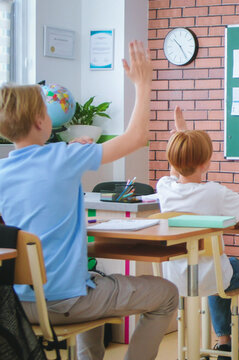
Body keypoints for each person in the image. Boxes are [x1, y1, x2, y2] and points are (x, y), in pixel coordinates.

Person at [0, 41, 179, 360]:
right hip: (65, 303)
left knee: (94, 279)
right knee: (166, 294)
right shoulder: (62, 156)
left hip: (18, 308)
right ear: (41, 122)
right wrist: (143, 83)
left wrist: (74, 152)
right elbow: (137, 138)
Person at [156, 106, 239, 360]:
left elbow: (176, 171)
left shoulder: (164, 188)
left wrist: (181, 134)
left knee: (218, 270)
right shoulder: (214, 192)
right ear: (207, 162)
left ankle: (222, 342)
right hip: (209, 277)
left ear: (172, 161)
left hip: (176, 277)